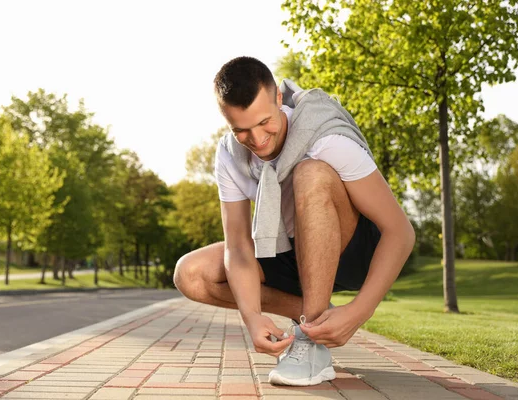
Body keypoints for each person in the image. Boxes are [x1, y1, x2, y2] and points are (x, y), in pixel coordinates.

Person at [173, 56, 415, 386]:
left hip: (350, 249)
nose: (257, 140)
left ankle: (311, 342)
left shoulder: (326, 137)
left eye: (264, 123)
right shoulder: (230, 154)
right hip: (288, 247)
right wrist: (252, 316)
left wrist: (359, 311)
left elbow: (400, 232)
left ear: (277, 98)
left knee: (310, 172)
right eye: (241, 129)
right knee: (191, 274)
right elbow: (240, 247)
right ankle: (313, 316)